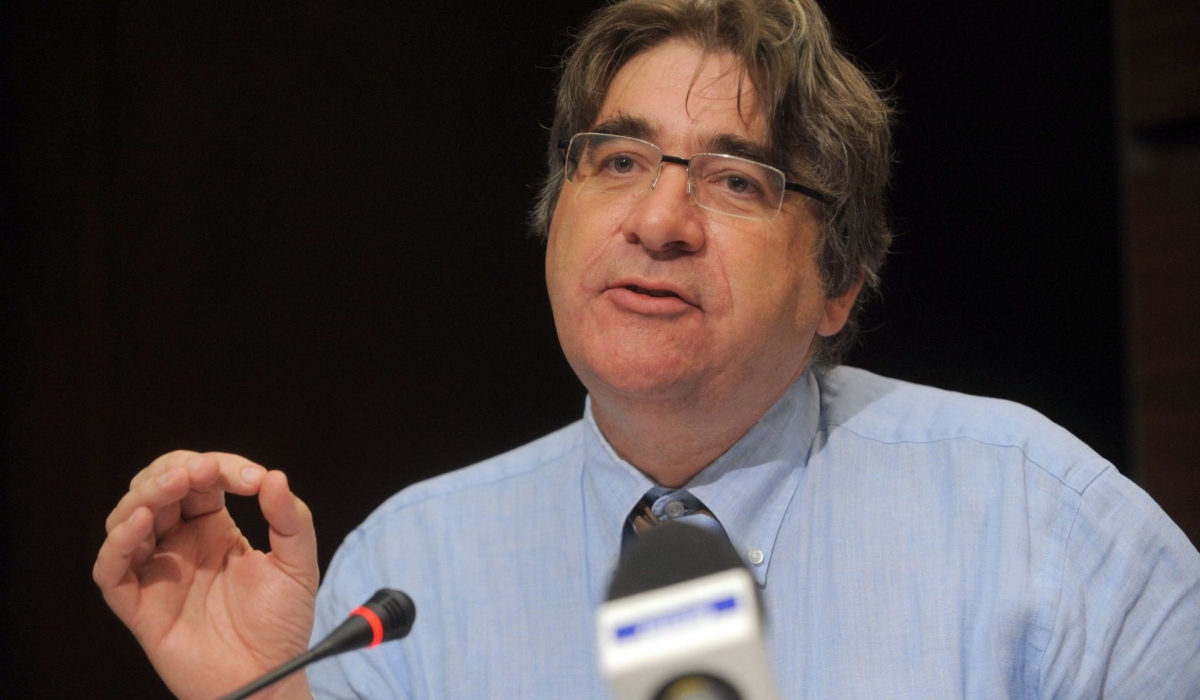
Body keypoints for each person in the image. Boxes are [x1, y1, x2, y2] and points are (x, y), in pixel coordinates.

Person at [94, 0, 1200, 698]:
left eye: (736, 180)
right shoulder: (409, 573)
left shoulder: (1044, 528)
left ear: (840, 282)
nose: (659, 221)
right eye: (618, 161)